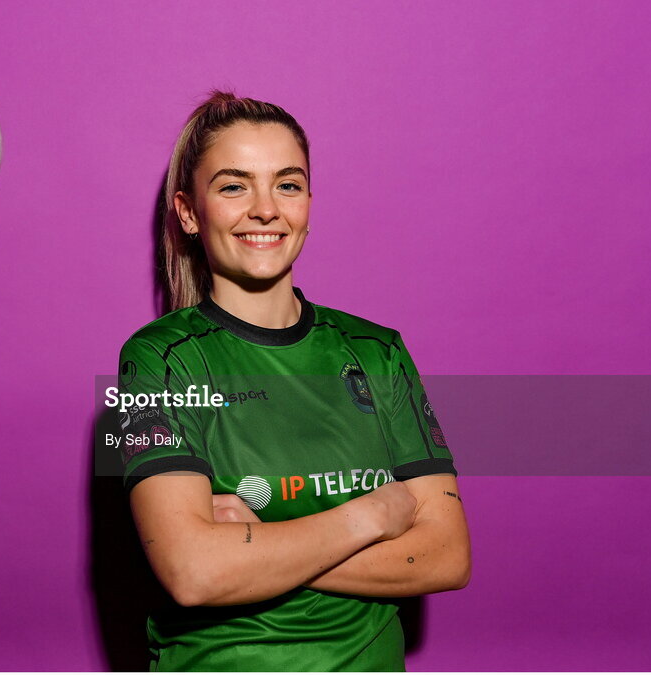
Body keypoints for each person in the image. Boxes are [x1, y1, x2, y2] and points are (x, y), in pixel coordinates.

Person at [115, 91, 471, 671]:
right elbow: (193, 572)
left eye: (287, 184)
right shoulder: (156, 360)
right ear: (187, 211)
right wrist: (369, 518)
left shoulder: (377, 351)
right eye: (234, 186)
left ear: (308, 200)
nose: (265, 209)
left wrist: (259, 547)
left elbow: (448, 556)